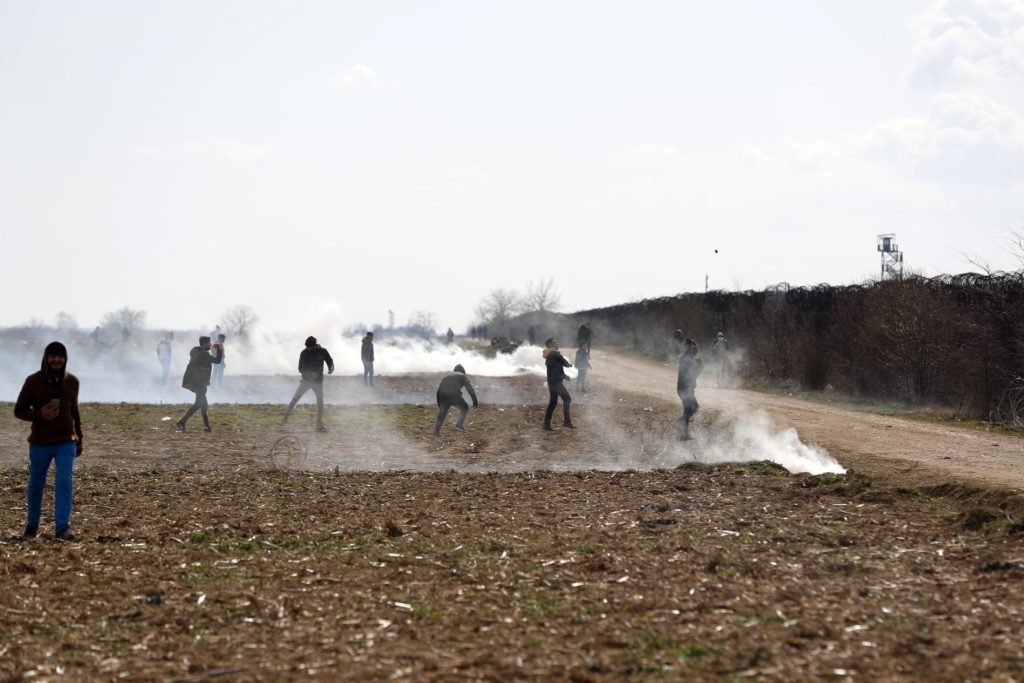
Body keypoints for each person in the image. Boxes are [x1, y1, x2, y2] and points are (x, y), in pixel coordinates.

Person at [14, 341, 84, 541]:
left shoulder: (72, 381)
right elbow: (19, 410)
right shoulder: (32, 381)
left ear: (65, 359)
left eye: (60, 356)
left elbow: (75, 412)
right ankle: (31, 527)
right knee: (36, 485)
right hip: (40, 443)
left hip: (65, 442)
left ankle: (62, 529)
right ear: (46, 358)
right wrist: (39, 414)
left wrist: (79, 439)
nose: (56, 360)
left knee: (64, 483)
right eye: (52, 356)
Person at [283, 336, 334, 431]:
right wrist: (310, 374)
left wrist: (331, 368)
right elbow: (300, 368)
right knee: (295, 399)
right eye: (307, 347)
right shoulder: (304, 353)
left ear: (315, 345)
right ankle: (285, 419)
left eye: (309, 347)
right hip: (306, 381)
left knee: (320, 402)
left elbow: (329, 360)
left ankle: (319, 423)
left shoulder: (323, 351)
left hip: (318, 383)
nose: (308, 348)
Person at [175, 336, 223, 432]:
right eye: (209, 343)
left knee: (203, 404)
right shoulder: (203, 354)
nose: (210, 344)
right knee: (198, 404)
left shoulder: (196, 352)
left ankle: (207, 427)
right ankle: (181, 422)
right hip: (197, 382)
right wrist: (219, 349)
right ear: (204, 343)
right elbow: (217, 361)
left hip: (191, 381)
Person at [433, 364, 479, 436]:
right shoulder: (463, 376)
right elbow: (470, 389)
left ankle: (436, 431)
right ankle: (459, 425)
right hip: (454, 395)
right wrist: (475, 400)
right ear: (463, 371)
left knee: (442, 413)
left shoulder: (446, 376)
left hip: (443, 395)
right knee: (465, 408)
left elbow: (438, 390)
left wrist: (439, 403)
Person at [672, 338, 703, 441]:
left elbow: (696, 371)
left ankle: (684, 434)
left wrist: (699, 364)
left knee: (689, 409)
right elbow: (692, 371)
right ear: (691, 348)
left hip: (686, 388)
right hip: (685, 388)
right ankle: (679, 424)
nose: (697, 350)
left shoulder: (688, 357)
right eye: (695, 348)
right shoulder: (687, 358)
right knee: (693, 408)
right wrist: (699, 364)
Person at [542, 337, 575, 431]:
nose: (557, 343)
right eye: (555, 342)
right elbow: (564, 363)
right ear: (550, 345)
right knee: (567, 399)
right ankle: (567, 422)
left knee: (553, 403)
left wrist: (564, 376)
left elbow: (556, 369)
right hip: (556, 383)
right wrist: (570, 365)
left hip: (552, 382)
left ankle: (546, 424)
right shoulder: (555, 354)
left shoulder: (549, 355)